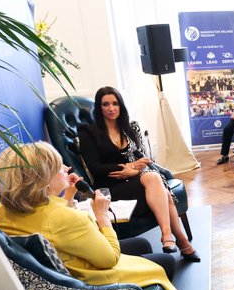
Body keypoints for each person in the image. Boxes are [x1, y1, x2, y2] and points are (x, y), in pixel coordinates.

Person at [0, 142, 184, 290]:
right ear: (44, 180)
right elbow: (109, 259)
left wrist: (68, 196)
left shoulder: (4, 209)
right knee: (165, 263)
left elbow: (49, 224)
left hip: (62, 268)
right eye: (60, 167)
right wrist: (102, 217)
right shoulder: (66, 219)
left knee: (142, 245)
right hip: (87, 285)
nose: (67, 168)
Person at [77, 86, 198, 258]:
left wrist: (133, 170)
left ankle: (168, 237)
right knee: (160, 187)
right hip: (110, 187)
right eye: (105, 104)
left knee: (155, 181)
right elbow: (95, 167)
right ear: (99, 107)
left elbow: (143, 160)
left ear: (121, 106)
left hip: (138, 180)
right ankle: (179, 241)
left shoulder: (129, 128)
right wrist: (128, 168)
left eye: (115, 103)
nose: (111, 108)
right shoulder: (88, 131)